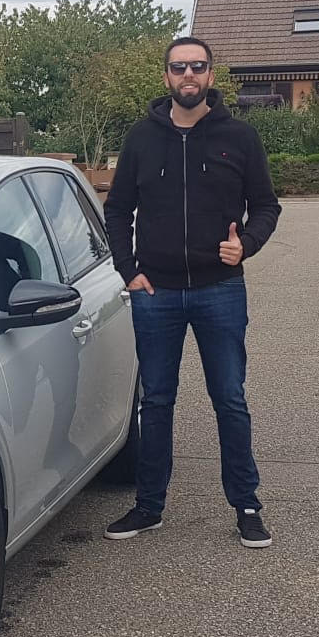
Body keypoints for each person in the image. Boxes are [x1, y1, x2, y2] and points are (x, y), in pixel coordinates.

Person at [100, 36, 283, 548]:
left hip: (219, 289)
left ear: (210, 76)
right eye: (179, 67)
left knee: (230, 399)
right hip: (155, 292)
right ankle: (149, 506)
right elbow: (118, 209)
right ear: (166, 77)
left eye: (197, 67)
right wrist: (127, 270)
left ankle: (247, 506)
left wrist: (246, 245)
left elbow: (267, 206)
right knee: (156, 401)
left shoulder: (239, 137)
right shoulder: (141, 138)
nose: (188, 75)